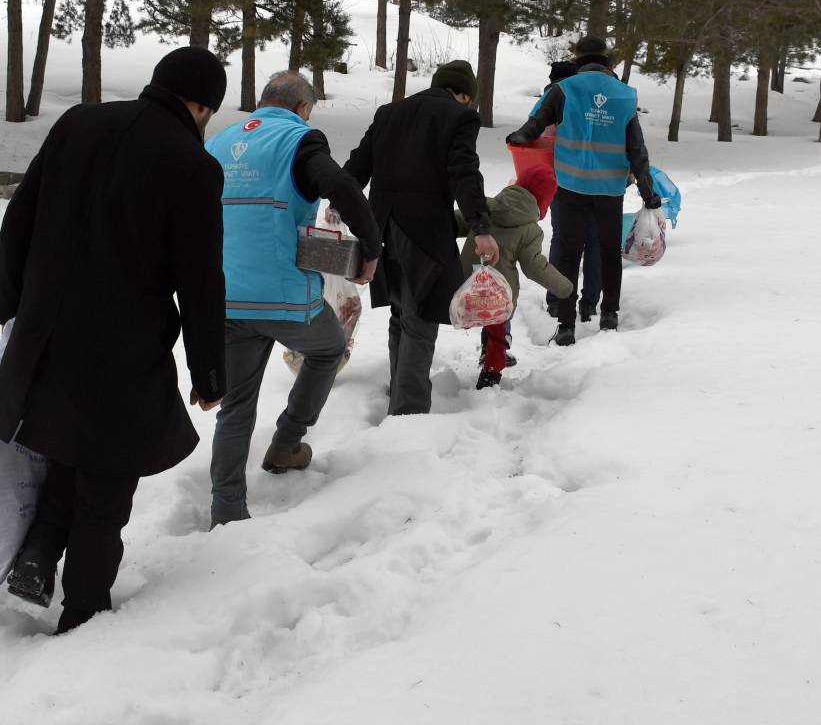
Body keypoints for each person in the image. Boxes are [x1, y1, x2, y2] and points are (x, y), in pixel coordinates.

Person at [0, 47, 229, 634]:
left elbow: (19, 216)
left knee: (65, 450)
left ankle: (39, 557)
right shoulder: (191, 165)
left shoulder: (78, 123)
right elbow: (200, 279)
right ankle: (84, 616)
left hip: (46, 333)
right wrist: (208, 371)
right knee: (105, 480)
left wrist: (10, 307)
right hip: (123, 351)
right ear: (200, 105)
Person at [203, 72, 380, 528]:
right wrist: (372, 247)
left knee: (236, 407)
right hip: (283, 299)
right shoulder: (299, 140)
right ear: (303, 108)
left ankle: (226, 510)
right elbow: (341, 187)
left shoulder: (218, 143)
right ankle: (287, 441)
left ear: (263, 102)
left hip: (225, 296)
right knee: (327, 349)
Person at [345, 60, 499, 415]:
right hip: (423, 235)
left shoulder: (388, 113)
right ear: (463, 94)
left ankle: (399, 394)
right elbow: (464, 172)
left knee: (401, 315)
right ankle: (409, 412)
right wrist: (481, 228)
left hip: (381, 230)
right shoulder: (459, 116)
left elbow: (355, 169)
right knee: (419, 321)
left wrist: (342, 205)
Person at [506, 36, 661, 347]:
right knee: (607, 253)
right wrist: (648, 192)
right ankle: (609, 315)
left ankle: (565, 326)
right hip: (609, 189)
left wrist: (517, 138)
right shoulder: (625, 96)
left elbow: (534, 126)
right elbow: (637, 151)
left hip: (570, 185)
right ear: (607, 60)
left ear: (577, 59)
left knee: (568, 254)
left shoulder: (565, 89)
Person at [456, 164, 573, 389]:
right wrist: (564, 288)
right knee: (497, 332)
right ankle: (490, 374)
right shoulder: (530, 230)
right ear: (543, 202)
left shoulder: (483, 209)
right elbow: (534, 267)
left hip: (465, 287)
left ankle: (485, 350)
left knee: (481, 313)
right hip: (499, 297)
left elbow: (454, 221)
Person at [539, 60, 602, 322]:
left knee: (561, 239)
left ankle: (556, 300)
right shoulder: (576, 102)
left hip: (556, 181)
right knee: (592, 241)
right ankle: (588, 303)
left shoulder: (544, 102)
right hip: (590, 180)